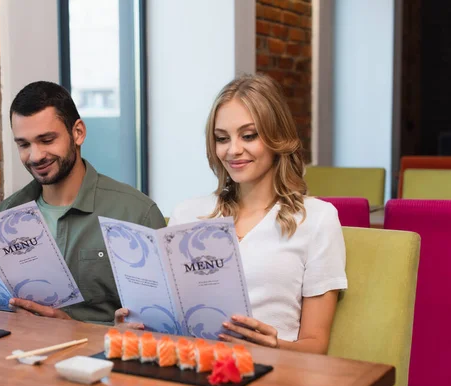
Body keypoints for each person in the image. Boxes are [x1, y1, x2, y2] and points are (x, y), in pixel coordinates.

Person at [116, 74, 347, 354]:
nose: (233, 150)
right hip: (192, 368)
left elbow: (316, 346)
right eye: (222, 138)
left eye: (249, 136)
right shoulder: (188, 213)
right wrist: (136, 325)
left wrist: (275, 346)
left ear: (278, 137)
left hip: (272, 374)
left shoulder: (317, 218)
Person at [0, 81, 166, 324]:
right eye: (24, 144)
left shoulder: (137, 214)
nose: (35, 156)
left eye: (46, 140)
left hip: (99, 359)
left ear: (78, 133)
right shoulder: (5, 215)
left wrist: (73, 328)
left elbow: (161, 325)